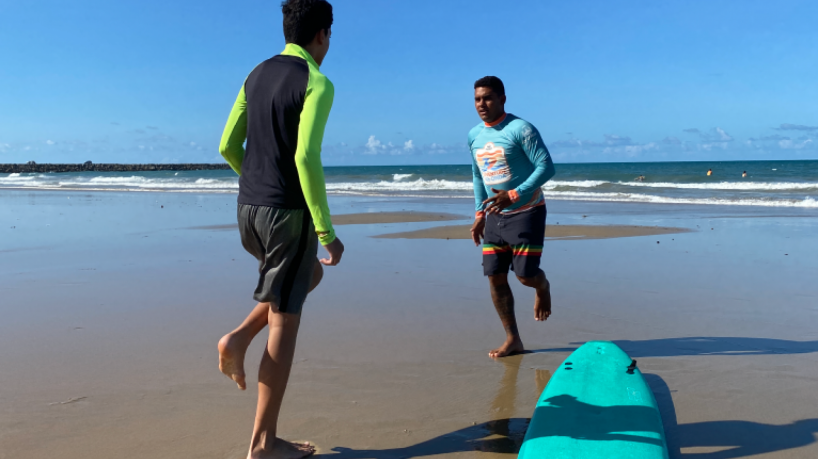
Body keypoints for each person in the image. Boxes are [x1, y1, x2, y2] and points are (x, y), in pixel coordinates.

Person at [217, 1, 343, 457]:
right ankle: (263, 445)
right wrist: (326, 232)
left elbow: (229, 144)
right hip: (287, 214)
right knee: (285, 327)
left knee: (307, 276)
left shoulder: (257, 72)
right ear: (323, 34)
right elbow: (306, 158)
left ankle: (237, 337)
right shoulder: (317, 81)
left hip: (248, 210)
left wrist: (257, 182)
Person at [469, 76, 556, 359]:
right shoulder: (474, 136)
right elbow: (478, 176)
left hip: (527, 211)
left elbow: (546, 167)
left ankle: (542, 286)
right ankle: (513, 339)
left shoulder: (521, 129)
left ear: (502, 99)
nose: (482, 104)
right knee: (494, 277)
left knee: (525, 276)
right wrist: (480, 213)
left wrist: (514, 194)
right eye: (477, 99)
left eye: (488, 98)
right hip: (494, 215)